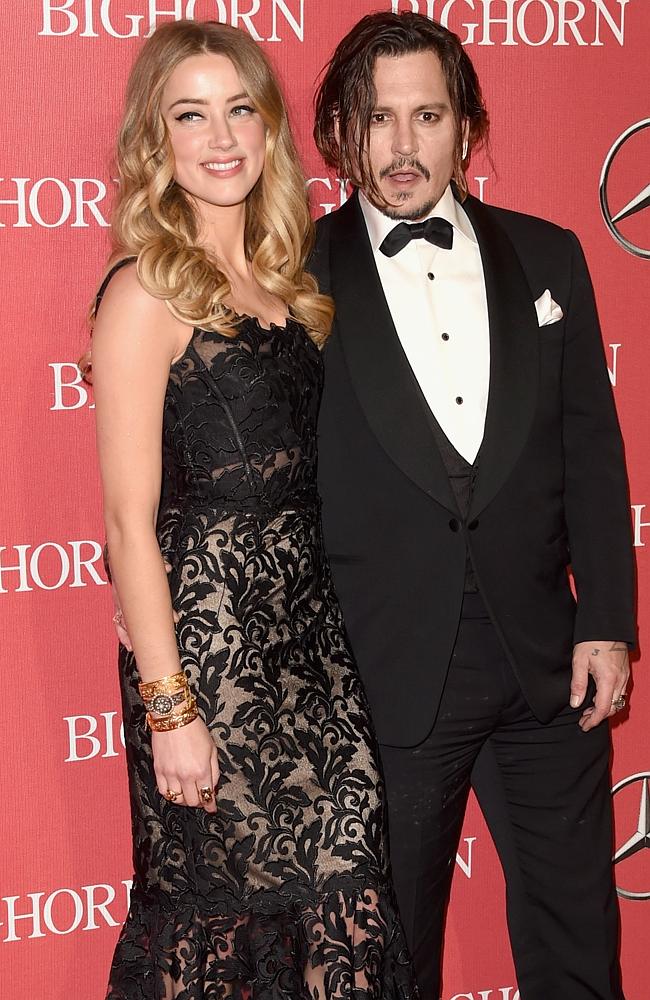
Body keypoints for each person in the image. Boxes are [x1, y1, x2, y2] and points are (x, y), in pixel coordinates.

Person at [309, 11, 636, 1000]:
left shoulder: (549, 258)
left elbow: (590, 449)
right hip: (386, 671)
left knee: (575, 932)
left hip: (545, 663)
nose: (401, 146)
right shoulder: (294, 276)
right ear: (339, 132)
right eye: (377, 118)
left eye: (427, 116)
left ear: (466, 128)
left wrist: (608, 621)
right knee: (389, 956)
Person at [90, 18, 418, 1000]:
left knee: (351, 922)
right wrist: (170, 707)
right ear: (158, 140)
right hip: (212, 667)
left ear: (270, 128)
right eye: (190, 114)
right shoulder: (143, 293)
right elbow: (125, 524)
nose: (221, 134)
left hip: (314, 656)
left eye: (239, 108)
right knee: (224, 947)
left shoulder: (288, 283)